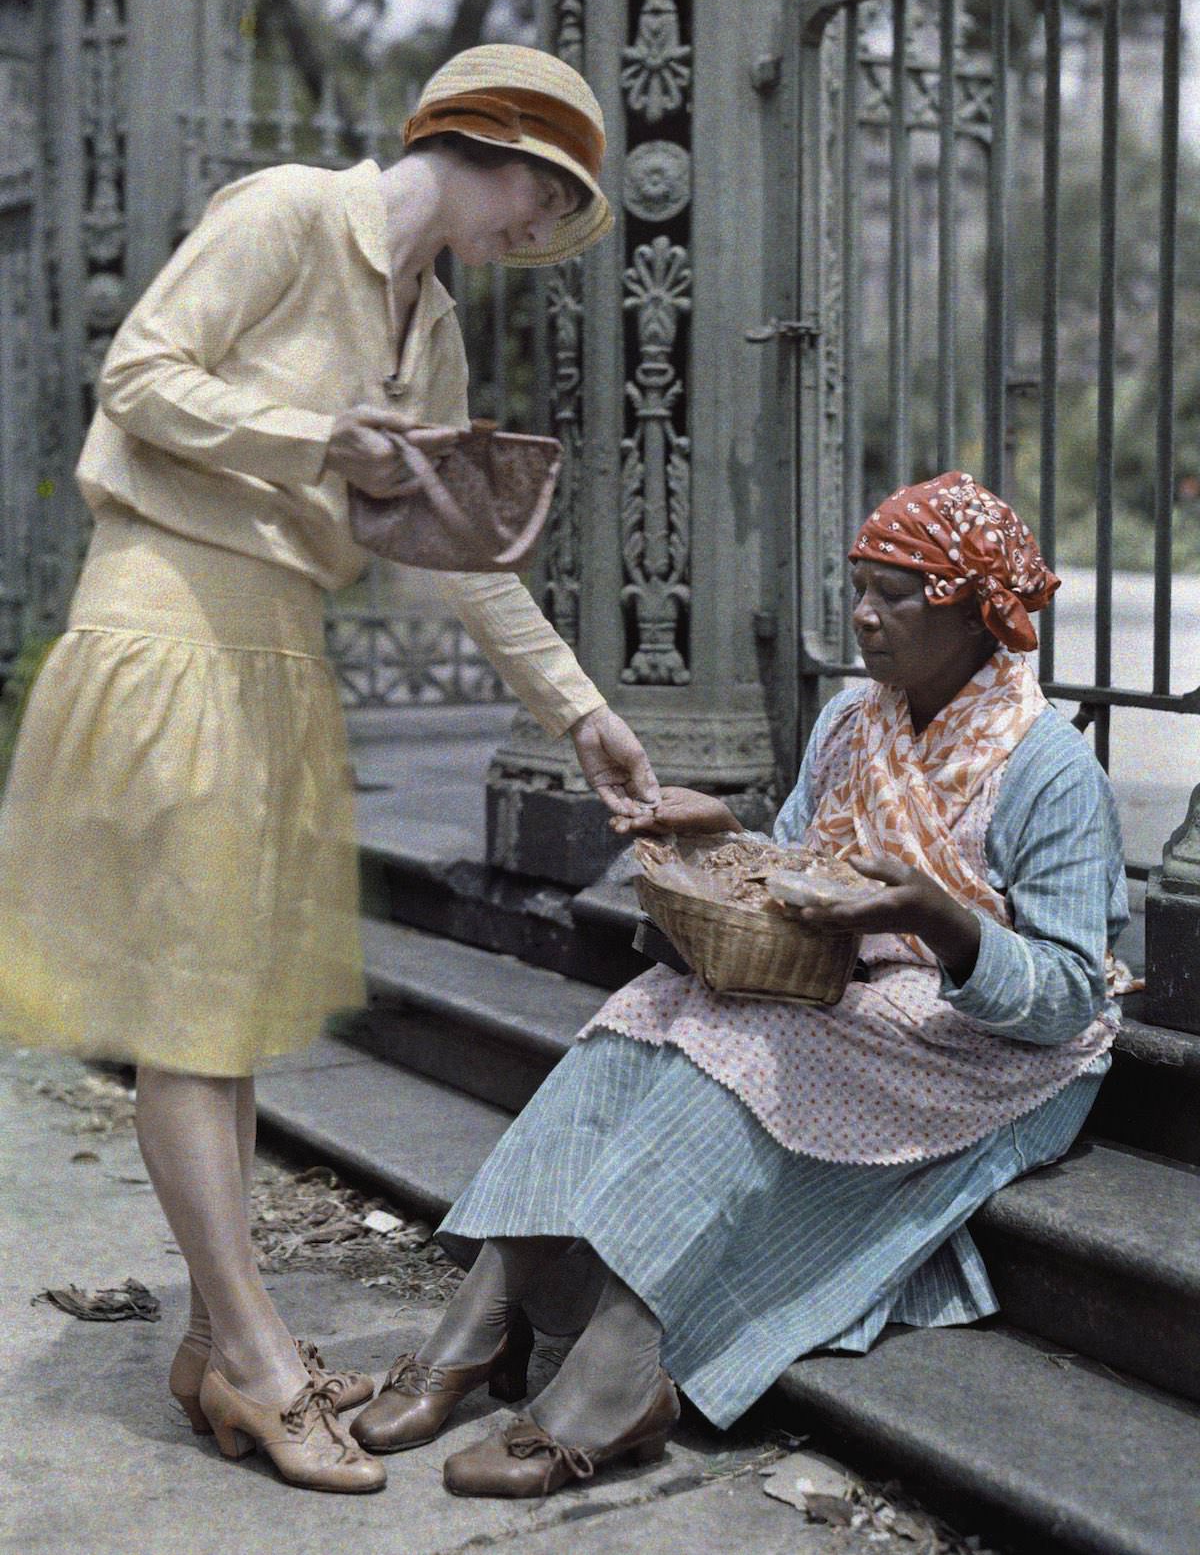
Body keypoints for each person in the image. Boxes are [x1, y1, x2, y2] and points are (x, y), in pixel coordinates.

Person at [0, 44, 659, 1493]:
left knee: (228, 1019)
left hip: (277, 653)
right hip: (171, 616)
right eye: (541, 209)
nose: (532, 241)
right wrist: (315, 435)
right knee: (191, 1014)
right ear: (507, 158)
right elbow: (140, 373)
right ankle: (247, 1354)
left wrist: (580, 711)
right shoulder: (289, 213)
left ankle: (228, 1347)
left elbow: (462, 554)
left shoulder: (428, 333)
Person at [349, 471, 1127, 1499]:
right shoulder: (857, 720)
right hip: (854, 985)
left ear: (971, 611)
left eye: (892, 594)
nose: (862, 614)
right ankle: (487, 1314)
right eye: (858, 587)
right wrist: (726, 832)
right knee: (641, 1017)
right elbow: (804, 866)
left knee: (750, 1048)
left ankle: (621, 1367)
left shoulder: (1051, 768)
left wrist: (933, 917)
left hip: (988, 1040)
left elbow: (1072, 993)